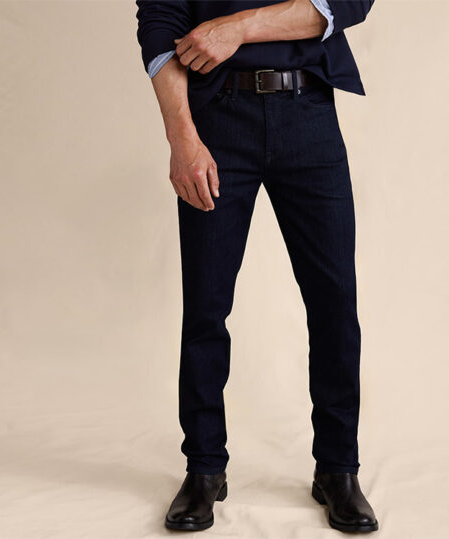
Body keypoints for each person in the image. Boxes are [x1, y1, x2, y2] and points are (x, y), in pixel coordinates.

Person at [135, 0, 378, 532]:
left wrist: (238, 28)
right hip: (217, 122)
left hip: (309, 114)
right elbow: (159, 23)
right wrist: (182, 138)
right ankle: (204, 468)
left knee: (335, 304)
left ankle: (338, 468)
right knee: (206, 307)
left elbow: (349, 1)